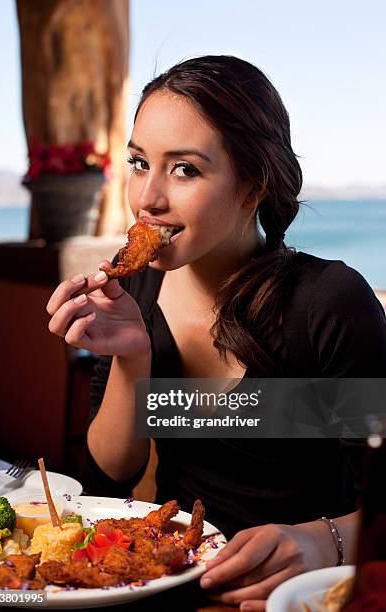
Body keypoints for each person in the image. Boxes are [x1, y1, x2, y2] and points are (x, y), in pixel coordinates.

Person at [46, 55, 386, 610]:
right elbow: (109, 477)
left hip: (298, 595)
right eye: (138, 162)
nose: (147, 199)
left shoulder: (329, 302)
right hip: (175, 581)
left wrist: (321, 542)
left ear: (254, 184)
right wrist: (134, 357)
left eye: (185, 169)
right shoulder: (137, 290)